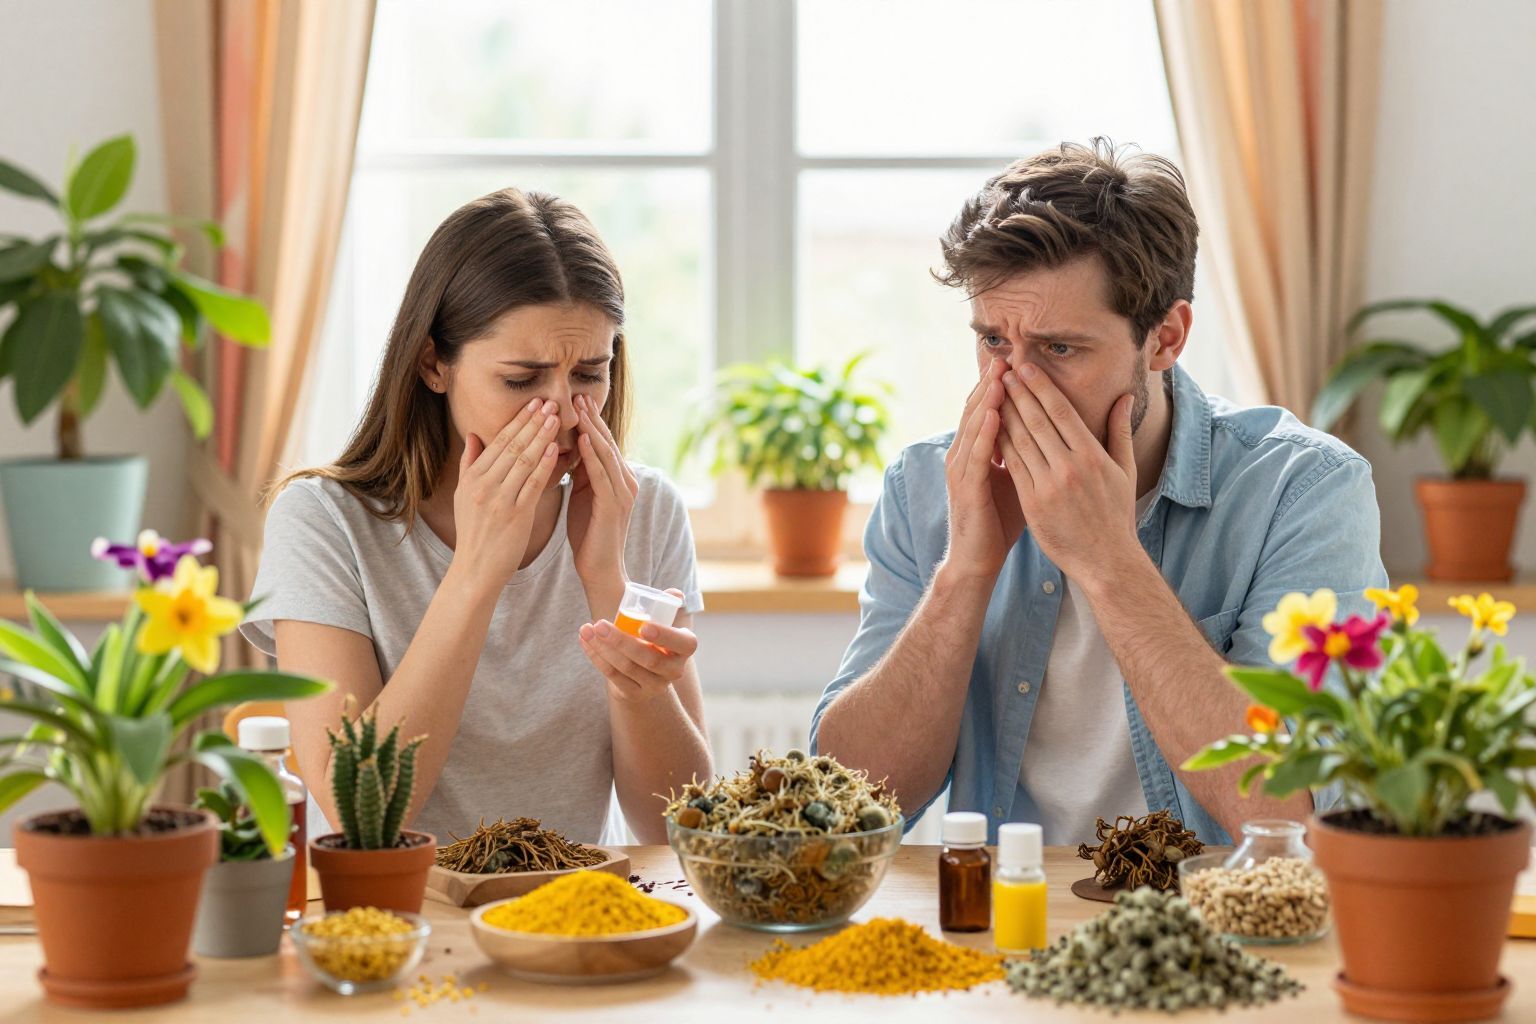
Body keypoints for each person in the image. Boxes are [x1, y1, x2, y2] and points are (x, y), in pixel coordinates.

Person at [810, 140, 1387, 845]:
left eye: (1059, 349)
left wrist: (1109, 560)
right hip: (1001, 918)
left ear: (1165, 339)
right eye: (994, 341)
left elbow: (1302, 818)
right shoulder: (927, 487)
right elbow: (838, 812)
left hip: (1206, 929)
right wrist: (965, 572)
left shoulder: (1303, 490)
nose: (1017, 386)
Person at [241, 188, 711, 844]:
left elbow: (677, 825)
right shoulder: (322, 522)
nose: (564, 415)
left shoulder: (643, 509)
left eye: (589, 376)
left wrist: (608, 578)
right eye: (522, 381)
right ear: (434, 363)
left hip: (573, 918)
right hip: (396, 921)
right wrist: (476, 572)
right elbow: (361, 814)